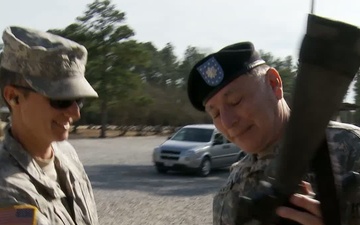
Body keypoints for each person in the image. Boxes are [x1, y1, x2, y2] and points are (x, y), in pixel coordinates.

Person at [187, 41, 360, 225]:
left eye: (235, 101)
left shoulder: (350, 148)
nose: (228, 122)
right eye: (216, 113)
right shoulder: (236, 179)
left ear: (273, 83)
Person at [0, 26, 99, 224]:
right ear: (14, 97)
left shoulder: (66, 153)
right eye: (61, 100)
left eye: (78, 100)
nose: (75, 113)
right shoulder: (6, 191)